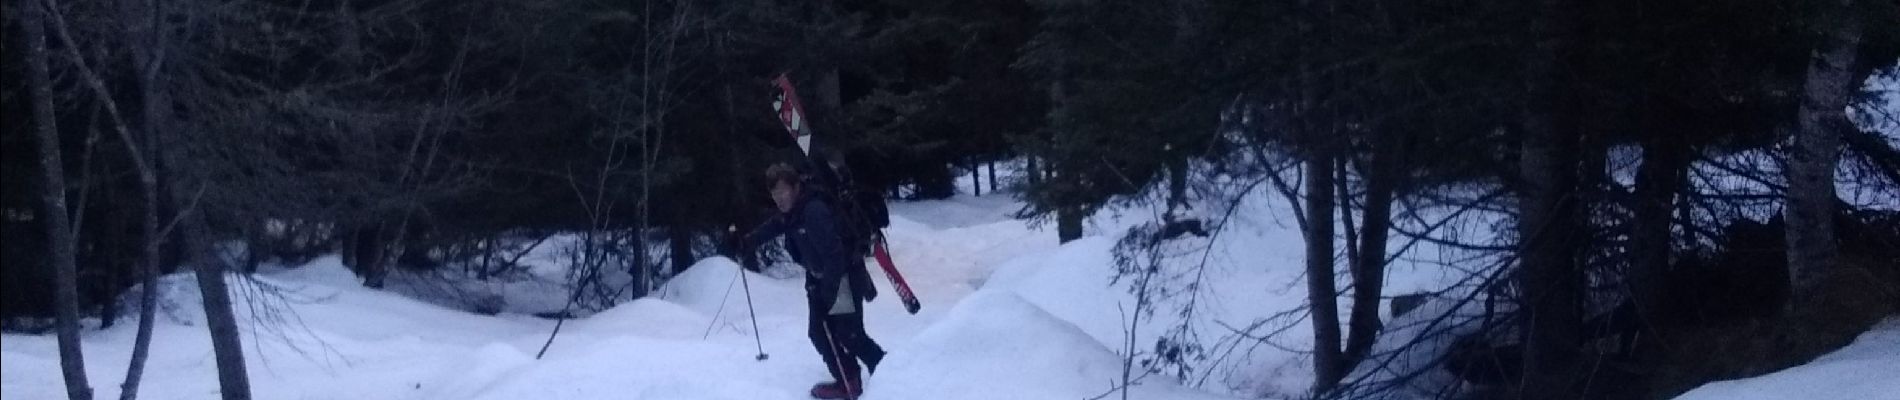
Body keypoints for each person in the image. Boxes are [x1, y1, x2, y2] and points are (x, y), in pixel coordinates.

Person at [742, 162, 885, 400]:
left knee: (850, 334)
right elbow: (773, 227)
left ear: (796, 187)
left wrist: (829, 289)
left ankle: (890, 372)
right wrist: (746, 242)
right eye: (774, 192)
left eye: (782, 190)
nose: (778, 197)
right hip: (820, 280)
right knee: (819, 332)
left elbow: (835, 255)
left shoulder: (813, 210)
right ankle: (848, 380)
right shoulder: (793, 213)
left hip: (842, 278)